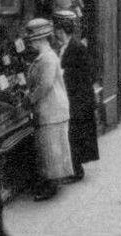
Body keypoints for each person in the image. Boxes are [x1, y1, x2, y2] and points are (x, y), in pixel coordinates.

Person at [24, 17, 72, 200]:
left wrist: (30, 99)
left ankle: (50, 187)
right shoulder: (45, 57)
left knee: (49, 150)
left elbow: (45, 85)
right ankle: (51, 183)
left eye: (32, 41)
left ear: (39, 40)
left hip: (51, 109)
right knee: (51, 149)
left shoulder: (47, 59)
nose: (31, 44)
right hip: (52, 109)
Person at [52, 11, 97, 182]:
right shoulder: (63, 48)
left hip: (79, 99)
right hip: (70, 97)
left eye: (57, 30)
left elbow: (87, 74)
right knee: (72, 135)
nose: (55, 34)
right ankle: (72, 168)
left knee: (75, 135)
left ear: (62, 31)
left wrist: (65, 75)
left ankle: (76, 171)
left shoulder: (77, 48)